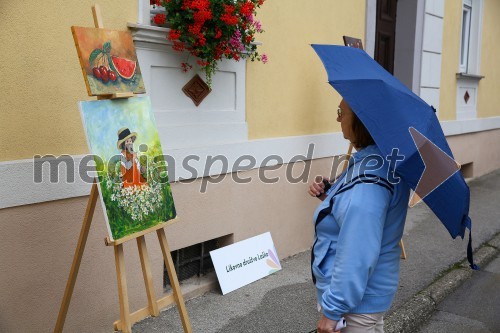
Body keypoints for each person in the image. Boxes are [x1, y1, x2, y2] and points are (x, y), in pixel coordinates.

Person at [308, 99, 410, 333]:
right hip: (367, 297)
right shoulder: (379, 161)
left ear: (361, 121)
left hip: (354, 307)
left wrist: (331, 313)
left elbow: (356, 252)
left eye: (340, 113)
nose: (337, 119)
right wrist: (329, 195)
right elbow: (355, 216)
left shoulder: (369, 182)